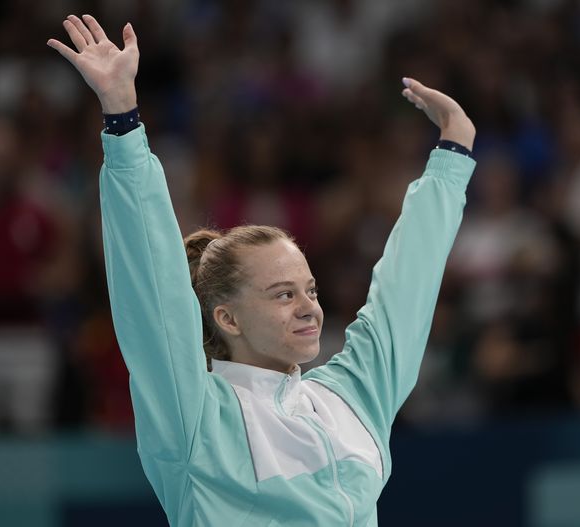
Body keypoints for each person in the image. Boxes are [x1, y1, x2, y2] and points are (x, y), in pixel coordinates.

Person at [48, 14, 476, 526]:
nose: (309, 309)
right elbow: (151, 289)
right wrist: (123, 122)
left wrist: (453, 153)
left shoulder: (352, 396)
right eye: (282, 294)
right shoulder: (196, 414)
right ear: (226, 318)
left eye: (309, 290)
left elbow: (405, 291)